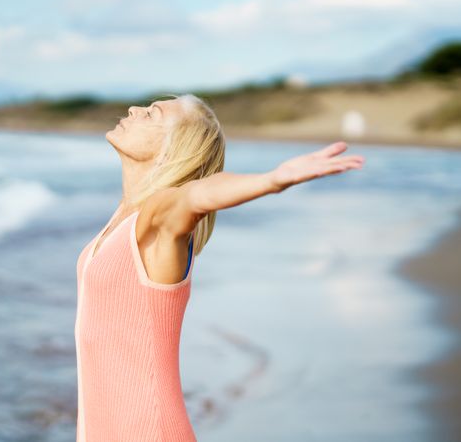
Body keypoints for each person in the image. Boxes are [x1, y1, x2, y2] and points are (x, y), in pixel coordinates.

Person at [74, 93, 365, 441]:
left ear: (173, 148)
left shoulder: (159, 215)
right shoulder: (125, 218)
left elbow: (197, 195)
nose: (134, 109)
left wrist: (272, 180)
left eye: (152, 114)